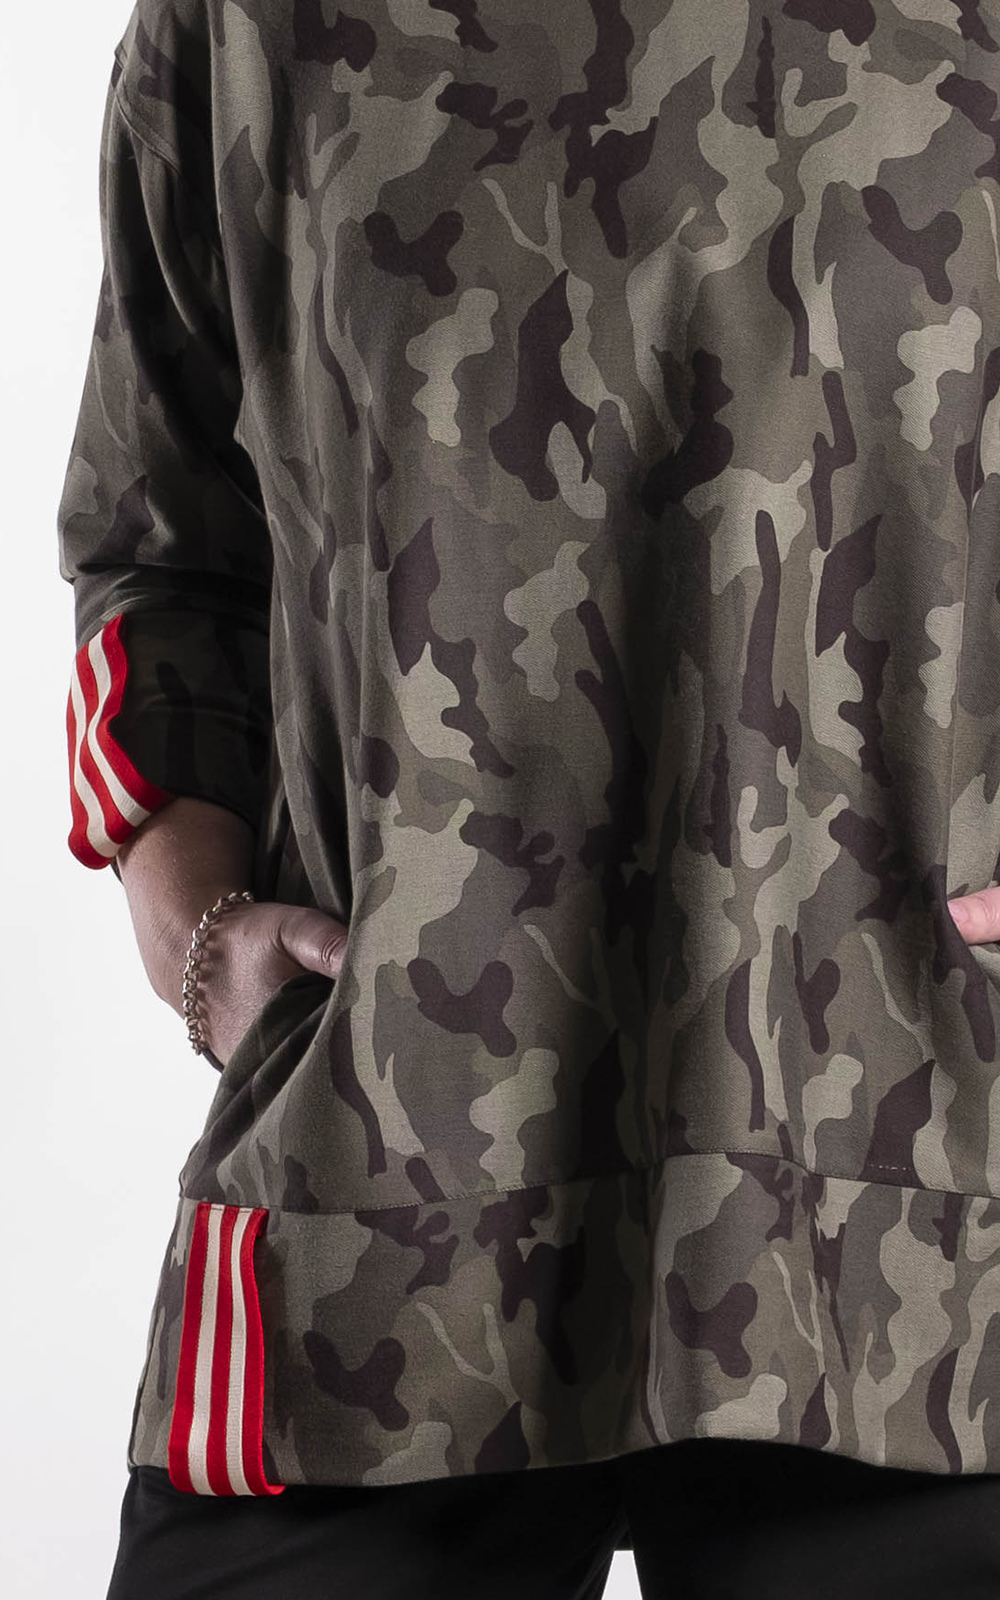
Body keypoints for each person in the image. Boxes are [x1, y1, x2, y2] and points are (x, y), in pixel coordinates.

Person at [56, 0, 1000, 1594]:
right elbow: (157, 541)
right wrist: (194, 919)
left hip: (934, 1210)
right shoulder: (237, 27)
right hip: (381, 1182)